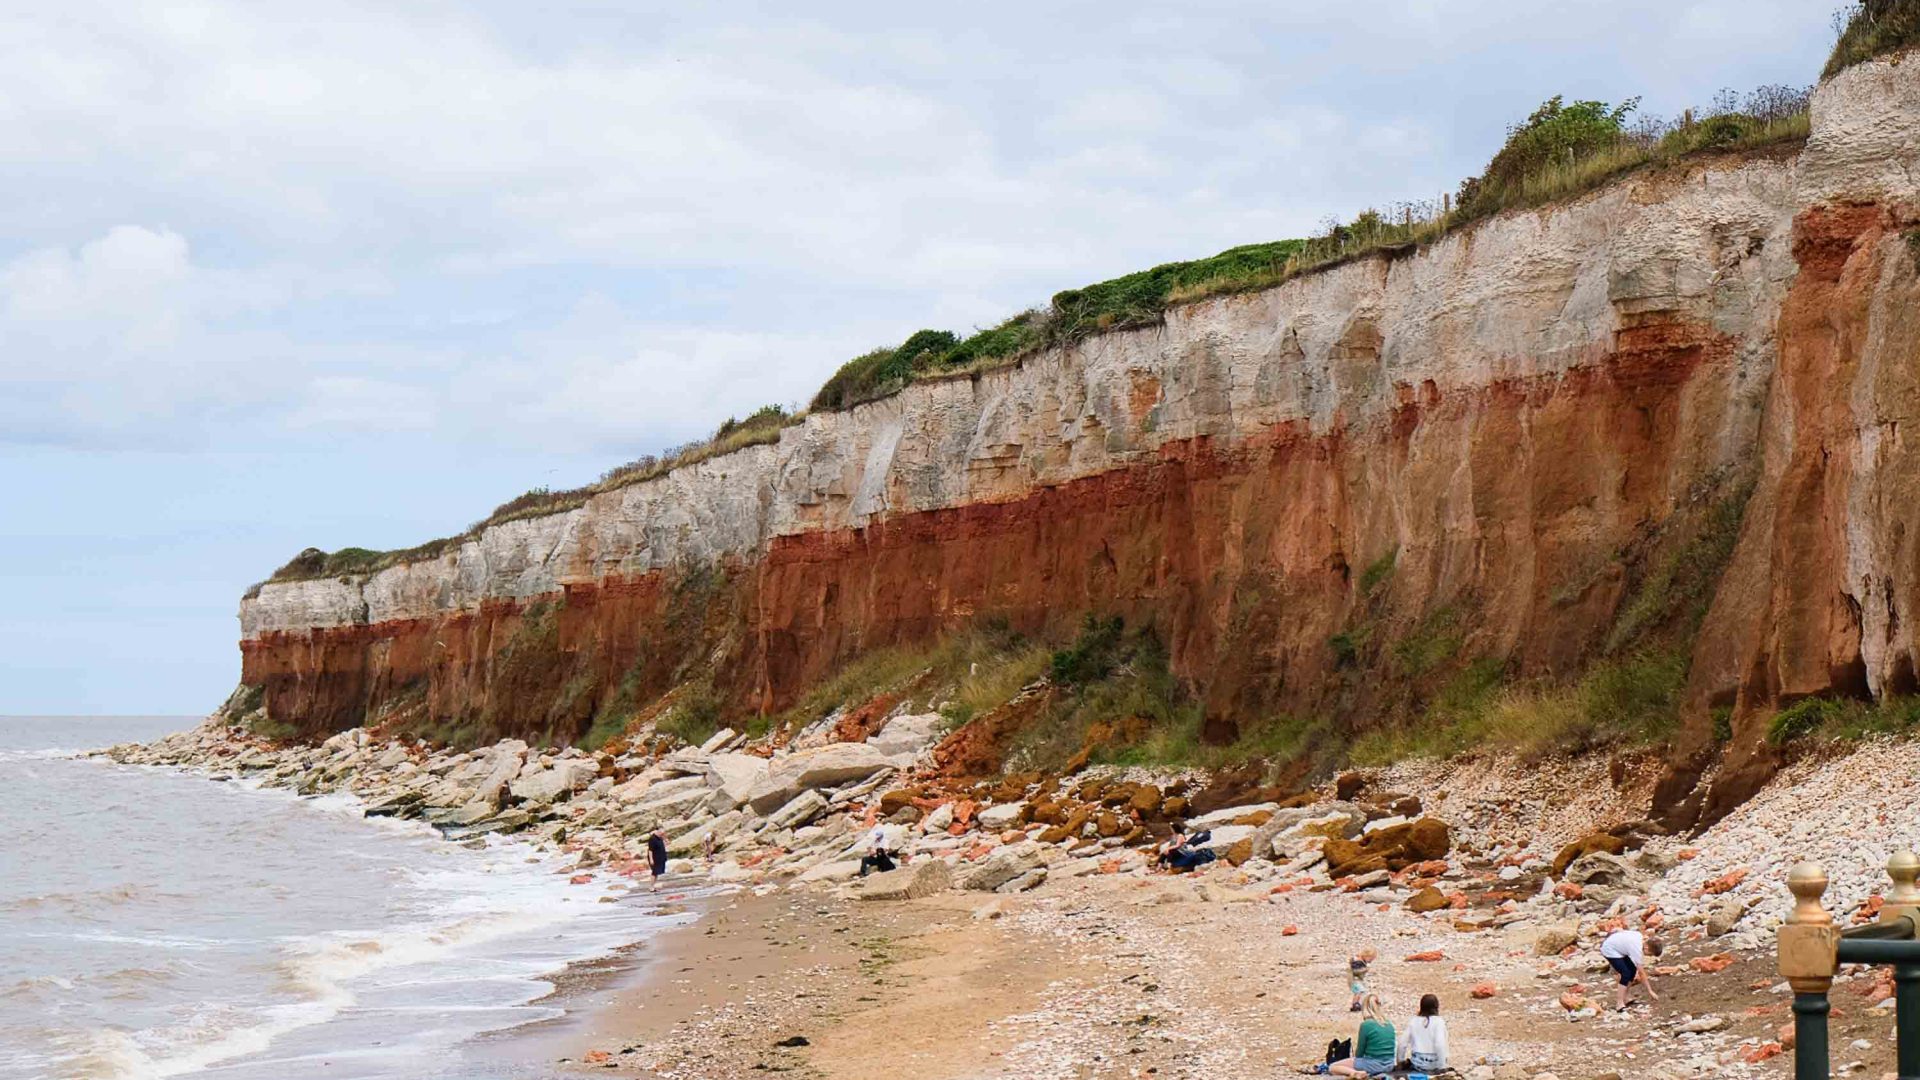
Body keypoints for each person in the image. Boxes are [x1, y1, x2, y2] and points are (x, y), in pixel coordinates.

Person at [1320, 994, 1395, 1076]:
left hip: (1373, 1064)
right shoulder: (1389, 1024)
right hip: (1389, 1065)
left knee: (1332, 1067)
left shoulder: (1366, 1025)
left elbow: (1360, 1052)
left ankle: (1356, 1073)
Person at [1599, 926, 1664, 1010]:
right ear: (1647, 948)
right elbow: (1642, 973)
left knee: (1632, 970)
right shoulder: (1637, 948)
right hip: (1609, 949)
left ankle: (1625, 997)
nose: (1649, 956)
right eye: (1650, 954)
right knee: (1625, 973)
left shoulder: (1640, 938)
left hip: (1618, 948)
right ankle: (1619, 1003)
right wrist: (1650, 991)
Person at [1397, 993, 1449, 1073]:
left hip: (1418, 1063)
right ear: (1436, 1006)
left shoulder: (1414, 1021)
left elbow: (1402, 1043)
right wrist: (1442, 1067)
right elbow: (1440, 1044)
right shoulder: (1439, 1022)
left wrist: (1400, 1061)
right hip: (1434, 1063)